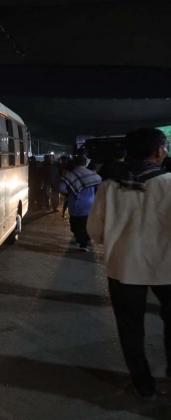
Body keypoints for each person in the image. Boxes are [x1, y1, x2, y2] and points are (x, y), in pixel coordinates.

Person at [87, 127, 171, 400]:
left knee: (130, 328)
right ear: (159, 151)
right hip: (167, 268)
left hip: (123, 269)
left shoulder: (109, 187)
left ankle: (143, 386)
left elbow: (95, 233)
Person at [59, 155, 102, 250]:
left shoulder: (69, 176)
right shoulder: (93, 176)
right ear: (85, 163)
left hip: (74, 205)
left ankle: (81, 241)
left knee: (75, 224)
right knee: (86, 224)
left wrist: (68, 193)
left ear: (75, 164)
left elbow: (62, 189)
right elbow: (98, 189)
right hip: (89, 205)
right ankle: (84, 241)